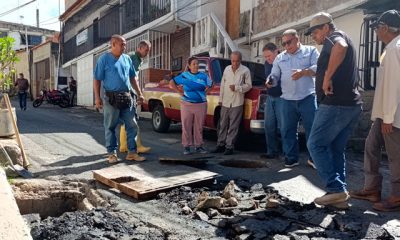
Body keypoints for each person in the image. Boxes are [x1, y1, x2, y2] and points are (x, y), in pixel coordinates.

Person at [305, 12, 363, 209]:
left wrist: (328, 77)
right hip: (350, 105)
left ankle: (335, 187)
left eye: (315, 31)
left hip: (336, 104)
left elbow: (341, 47)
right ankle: (339, 194)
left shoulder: (334, 37)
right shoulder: (338, 36)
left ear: (326, 28)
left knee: (315, 145)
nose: (313, 35)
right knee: (335, 149)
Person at [350, 10, 400, 212]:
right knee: (371, 146)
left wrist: (387, 117)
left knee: (396, 156)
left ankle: (397, 196)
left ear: (385, 27)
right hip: (385, 114)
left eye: (377, 29)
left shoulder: (395, 49)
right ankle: (372, 188)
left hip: (393, 116)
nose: (377, 34)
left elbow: (392, 86)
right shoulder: (391, 48)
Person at [270, 29, 319, 167]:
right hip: (287, 100)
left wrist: (303, 72)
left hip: (307, 97)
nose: (286, 46)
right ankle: (291, 158)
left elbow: (319, 68)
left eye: (289, 42)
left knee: (312, 129)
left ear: (297, 39)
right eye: (284, 43)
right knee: (287, 130)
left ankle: (314, 158)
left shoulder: (311, 51)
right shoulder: (280, 58)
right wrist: (271, 80)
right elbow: (275, 75)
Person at [93, 34, 145, 163]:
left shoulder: (127, 59)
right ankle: (112, 153)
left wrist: (139, 93)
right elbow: (97, 79)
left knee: (131, 125)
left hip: (127, 97)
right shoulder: (103, 59)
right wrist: (97, 98)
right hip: (111, 98)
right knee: (110, 126)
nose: (124, 47)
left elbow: (133, 78)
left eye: (125, 44)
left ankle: (132, 152)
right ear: (113, 44)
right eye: (122, 44)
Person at [211, 51, 252, 155]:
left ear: (240, 60)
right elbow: (222, 85)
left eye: (237, 61)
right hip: (225, 101)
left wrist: (237, 88)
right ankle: (220, 145)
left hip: (237, 102)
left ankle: (229, 147)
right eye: (233, 61)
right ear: (231, 60)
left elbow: (249, 85)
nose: (235, 63)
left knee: (233, 126)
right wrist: (220, 99)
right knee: (222, 124)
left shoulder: (245, 70)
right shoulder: (226, 69)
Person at [169, 57, 212, 155]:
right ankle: (186, 147)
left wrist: (206, 92)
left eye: (197, 64)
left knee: (199, 127)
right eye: (194, 64)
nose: (196, 66)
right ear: (189, 66)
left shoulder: (203, 76)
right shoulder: (184, 76)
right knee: (186, 126)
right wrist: (179, 92)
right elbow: (172, 82)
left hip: (201, 104)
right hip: (186, 104)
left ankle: (199, 146)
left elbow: (211, 84)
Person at [119, 40, 152, 154]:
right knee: (132, 119)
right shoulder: (133, 57)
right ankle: (137, 146)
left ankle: (123, 146)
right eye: (146, 50)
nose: (147, 53)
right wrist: (137, 93)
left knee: (126, 119)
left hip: (126, 91)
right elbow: (129, 76)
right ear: (140, 48)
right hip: (128, 91)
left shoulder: (136, 58)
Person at [260, 43, 282, 159]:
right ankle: (271, 151)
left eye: (269, 56)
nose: (267, 59)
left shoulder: (284, 61)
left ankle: (289, 154)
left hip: (283, 98)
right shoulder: (266, 64)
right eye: (265, 57)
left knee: (285, 127)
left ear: (276, 52)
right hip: (270, 97)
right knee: (269, 125)